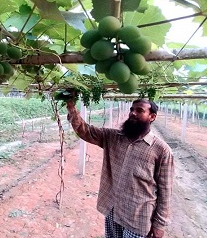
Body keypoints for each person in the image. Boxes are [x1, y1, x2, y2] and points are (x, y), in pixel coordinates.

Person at [66, 98, 174, 238]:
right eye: (131, 109)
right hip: (113, 208)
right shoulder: (113, 137)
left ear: (152, 117)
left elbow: (165, 191)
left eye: (139, 110)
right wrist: (71, 106)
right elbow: (85, 130)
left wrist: (159, 224)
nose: (133, 113)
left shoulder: (161, 150)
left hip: (138, 217)